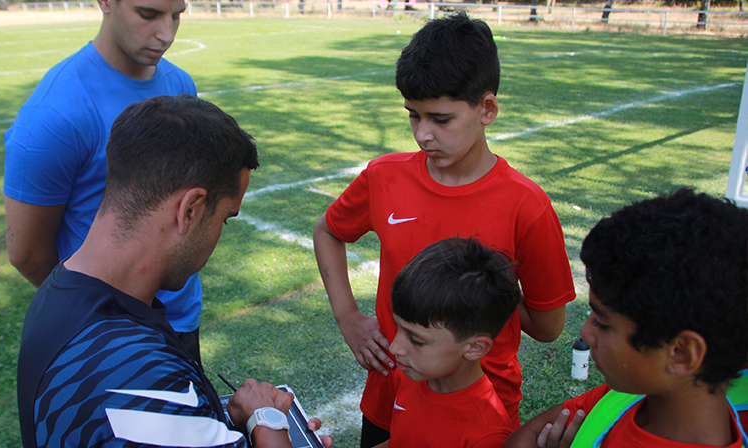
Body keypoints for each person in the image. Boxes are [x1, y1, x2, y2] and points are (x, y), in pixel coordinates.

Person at [312, 12, 575, 445]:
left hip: (478, 413)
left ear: (487, 108)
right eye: (413, 116)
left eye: (441, 119)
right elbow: (328, 231)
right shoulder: (384, 177)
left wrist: (486, 286)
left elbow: (548, 327)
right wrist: (348, 317)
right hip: (390, 392)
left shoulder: (526, 205)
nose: (423, 135)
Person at [17, 95, 333, 448]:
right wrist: (269, 422)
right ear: (191, 210)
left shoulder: (59, 291)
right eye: (224, 219)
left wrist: (226, 424)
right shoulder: (139, 373)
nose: (218, 237)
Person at [3, 0, 205, 363]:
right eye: (148, 14)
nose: (167, 34)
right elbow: (28, 255)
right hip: (108, 334)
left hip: (180, 321)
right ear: (106, 2)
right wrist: (102, 311)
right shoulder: (54, 113)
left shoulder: (180, 85)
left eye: (177, 15)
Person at [504, 188, 748, 448]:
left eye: (603, 323)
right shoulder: (634, 394)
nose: (585, 333)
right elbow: (523, 438)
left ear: (681, 353)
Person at [373, 237, 520, 448]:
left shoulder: (486, 436)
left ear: (475, 348)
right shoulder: (411, 374)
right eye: (398, 328)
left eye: (416, 340)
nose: (394, 347)